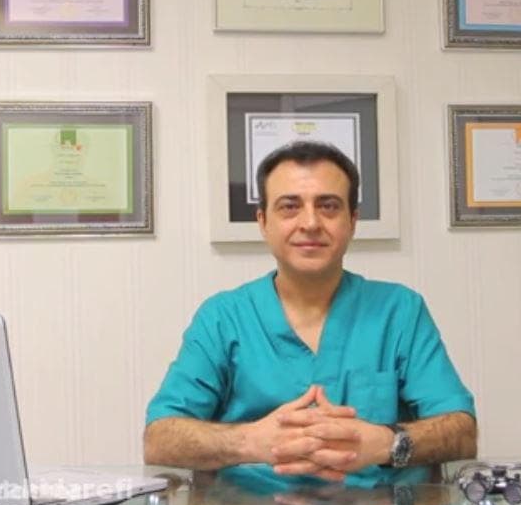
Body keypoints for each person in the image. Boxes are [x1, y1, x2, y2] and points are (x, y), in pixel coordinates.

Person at [144, 141, 476, 487]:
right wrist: (250, 442)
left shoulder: (400, 310)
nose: (311, 222)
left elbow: (462, 431)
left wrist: (386, 442)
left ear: (352, 220)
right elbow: (160, 439)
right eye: (289, 207)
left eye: (328, 206)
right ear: (263, 222)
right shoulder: (223, 317)